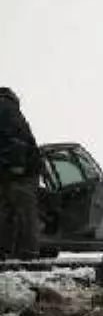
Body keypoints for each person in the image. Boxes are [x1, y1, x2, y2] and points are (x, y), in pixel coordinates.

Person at [0, 87, 42, 261]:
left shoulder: (5, 108)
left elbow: (15, 139)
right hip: (17, 169)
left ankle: (21, 254)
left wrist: (14, 166)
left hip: (18, 170)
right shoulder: (7, 108)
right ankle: (18, 252)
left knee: (16, 211)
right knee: (16, 212)